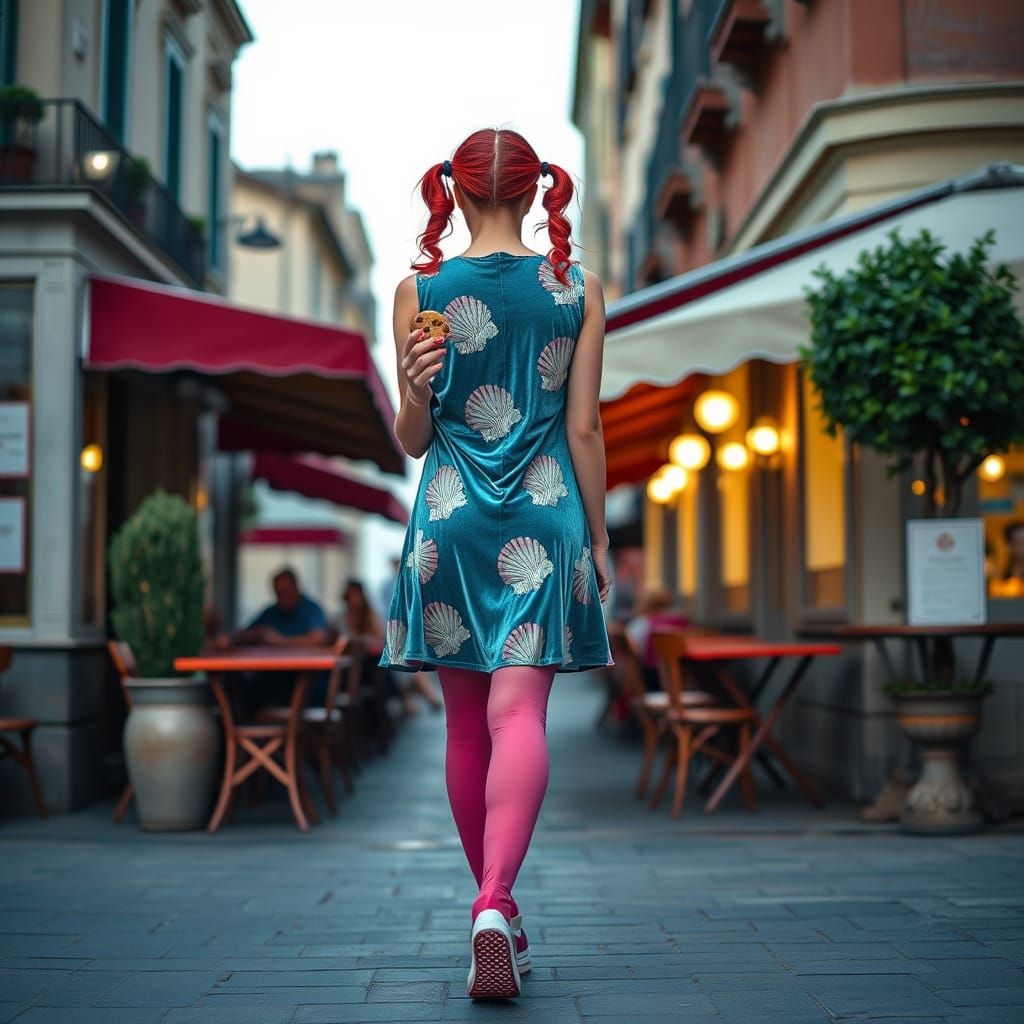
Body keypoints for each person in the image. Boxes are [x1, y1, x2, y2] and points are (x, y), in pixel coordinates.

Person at [377, 128, 613, 1000]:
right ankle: (496, 902)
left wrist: (413, 387)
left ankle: (493, 914)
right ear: (532, 190)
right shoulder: (578, 289)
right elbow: (584, 428)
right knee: (523, 718)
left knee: (466, 727)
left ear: (457, 189)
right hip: (545, 520)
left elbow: (411, 441)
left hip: (448, 524)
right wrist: (599, 536)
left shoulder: (419, 290)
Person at [230, 568, 329, 709]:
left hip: (306, 682)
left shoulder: (311, 609)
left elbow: (319, 638)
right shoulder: (271, 612)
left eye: (285, 591)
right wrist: (251, 635)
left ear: (296, 588)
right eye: (278, 592)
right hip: (274, 676)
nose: (282, 596)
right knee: (243, 687)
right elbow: (247, 631)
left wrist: (282, 641)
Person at [624, 585, 690, 692]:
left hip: (653, 682)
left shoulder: (640, 624)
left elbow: (633, 652)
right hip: (684, 678)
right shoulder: (681, 620)